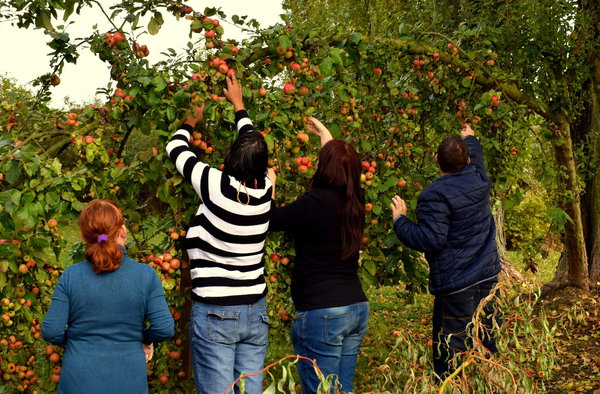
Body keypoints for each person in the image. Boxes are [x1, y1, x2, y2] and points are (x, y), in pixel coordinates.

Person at [166, 75, 273, 394]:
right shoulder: (266, 189)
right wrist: (239, 105)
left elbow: (175, 147)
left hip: (216, 310)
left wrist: (190, 120)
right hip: (255, 310)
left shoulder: (215, 185)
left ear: (230, 160)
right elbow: (253, 144)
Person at [390, 124, 501, 379]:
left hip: (456, 282)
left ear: (436, 160)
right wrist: (470, 138)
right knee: (487, 337)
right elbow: (476, 155)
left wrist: (401, 221)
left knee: (451, 348)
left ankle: (452, 384)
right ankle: (492, 382)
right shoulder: (479, 178)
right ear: (469, 160)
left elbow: (431, 240)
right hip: (487, 276)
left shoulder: (434, 195)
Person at [268, 117, 369, 394]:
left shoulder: (314, 203)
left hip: (323, 312)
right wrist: (325, 134)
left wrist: (270, 184)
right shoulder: (356, 202)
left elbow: (272, 219)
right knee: (341, 389)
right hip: (355, 307)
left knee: (320, 391)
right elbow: (342, 165)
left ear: (323, 167)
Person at [42, 199, 174, 394]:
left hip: (79, 380)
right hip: (129, 380)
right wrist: (142, 338)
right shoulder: (146, 276)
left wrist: (79, 339)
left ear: (83, 236)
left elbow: (51, 331)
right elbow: (164, 329)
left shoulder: (71, 276)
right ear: (122, 230)